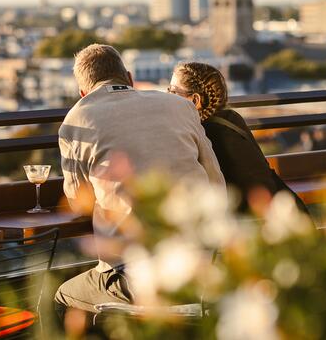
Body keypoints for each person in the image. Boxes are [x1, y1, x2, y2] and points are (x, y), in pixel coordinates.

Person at [54, 45, 225, 315]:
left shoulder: (77, 119)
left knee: (61, 297)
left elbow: (77, 203)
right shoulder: (180, 105)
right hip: (201, 263)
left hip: (136, 274)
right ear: (130, 78)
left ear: (83, 93)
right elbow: (216, 184)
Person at [168, 61, 311, 216]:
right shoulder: (231, 118)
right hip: (289, 210)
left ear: (195, 101)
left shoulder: (202, 134)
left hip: (264, 222)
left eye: (173, 91)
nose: (167, 96)